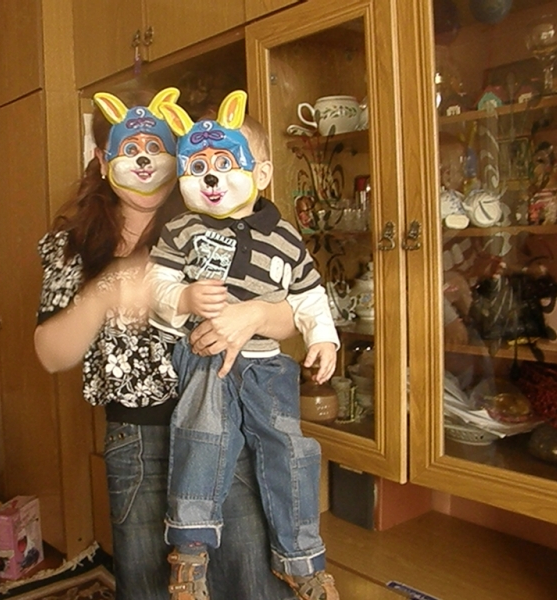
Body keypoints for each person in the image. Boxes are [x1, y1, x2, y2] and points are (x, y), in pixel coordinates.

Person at [33, 87, 298, 600]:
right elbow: (50, 353)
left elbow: (296, 311)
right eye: (131, 148)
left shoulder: (221, 214)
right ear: (102, 159)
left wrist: (254, 315)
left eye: (160, 147)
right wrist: (107, 291)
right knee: (153, 586)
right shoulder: (72, 244)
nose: (146, 161)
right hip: (139, 441)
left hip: (228, 423)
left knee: (251, 580)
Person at [149, 91, 340, 600]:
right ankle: (189, 554)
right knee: (203, 439)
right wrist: (184, 297)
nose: (211, 178)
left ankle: (302, 559)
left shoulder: (286, 238)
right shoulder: (182, 229)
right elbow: (156, 286)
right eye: (199, 167)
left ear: (262, 172)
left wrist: (323, 337)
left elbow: (309, 296)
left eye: (225, 164)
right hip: (205, 357)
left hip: (267, 365)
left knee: (291, 451)